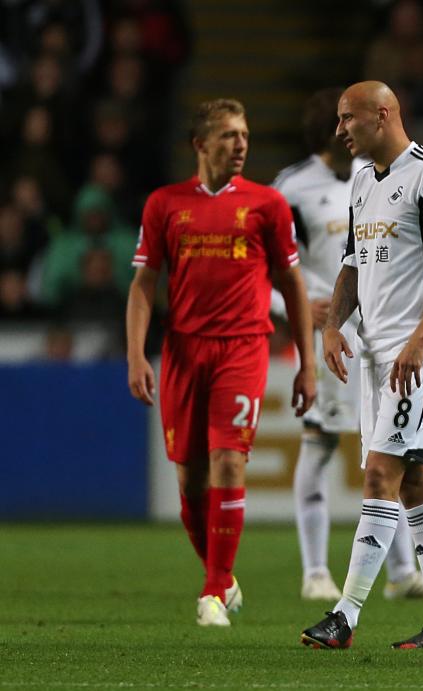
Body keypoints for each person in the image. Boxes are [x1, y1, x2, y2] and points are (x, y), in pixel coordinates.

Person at [126, 98, 317, 627]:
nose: (241, 146)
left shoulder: (267, 205)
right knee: (190, 483)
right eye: (230, 135)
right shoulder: (166, 204)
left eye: (246, 136)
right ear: (200, 144)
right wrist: (137, 353)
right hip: (184, 351)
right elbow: (144, 283)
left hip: (243, 347)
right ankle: (224, 577)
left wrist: (307, 360)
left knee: (229, 461)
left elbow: (292, 285)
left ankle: (212, 591)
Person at [300, 81, 423, 650]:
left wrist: (421, 336)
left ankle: (344, 616)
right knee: (416, 483)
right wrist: (331, 326)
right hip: (378, 354)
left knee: (380, 474)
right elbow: (351, 262)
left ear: (383, 114)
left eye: (347, 118)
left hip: (419, 353)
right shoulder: (360, 183)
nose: (340, 130)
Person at [271, 88, 423, 602]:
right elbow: (263, 271)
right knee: (319, 447)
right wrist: (295, 311)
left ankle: (402, 572)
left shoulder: (377, 180)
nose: (347, 132)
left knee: (392, 449)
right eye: (340, 124)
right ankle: (315, 571)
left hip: (381, 333)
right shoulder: (292, 189)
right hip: (328, 336)